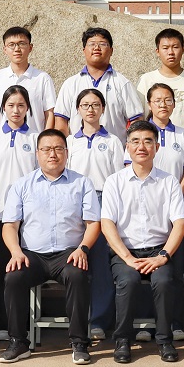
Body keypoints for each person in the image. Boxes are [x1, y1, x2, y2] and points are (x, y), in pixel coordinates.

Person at [0, 129, 102, 365]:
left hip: (69, 254)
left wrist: (83, 248)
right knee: (13, 276)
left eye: (58, 149)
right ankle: (18, 342)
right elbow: (10, 225)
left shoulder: (82, 183)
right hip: (32, 255)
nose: (52, 154)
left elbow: (93, 223)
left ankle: (79, 343)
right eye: (46, 149)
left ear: (66, 152)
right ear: (37, 153)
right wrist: (15, 252)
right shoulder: (21, 185)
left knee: (77, 274)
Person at [100, 121, 184, 364]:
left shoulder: (169, 182)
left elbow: (180, 224)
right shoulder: (114, 181)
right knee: (127, 281)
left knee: (163, 281)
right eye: (135, 141)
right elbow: (107, 224)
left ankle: (164, 339)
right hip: (125, 252)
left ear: (156, 147)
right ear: (127, 147)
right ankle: (122, 340)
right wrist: (127, 258)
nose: (142, 147)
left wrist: (163, 256)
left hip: (159, 251)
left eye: (148, 141)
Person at [0, 84, 39, 339]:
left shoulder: (36, 138)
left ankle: (24, 324)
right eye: (11, 105)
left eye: (21, 105)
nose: (16, 110)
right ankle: (2, 324)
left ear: (28, 108)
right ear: (3, 108)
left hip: (28, 217)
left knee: (23, 269)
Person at [67, 88, 125, 342]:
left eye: (95, 105)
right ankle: (77, 319)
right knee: (76, 261)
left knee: (101, 263)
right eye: (85, 105)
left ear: (103, 109)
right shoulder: (70, 141)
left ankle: (99, 320)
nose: (90, 109)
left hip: (103, 201)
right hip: (74, 202)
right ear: (78, 109)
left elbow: (118, 179)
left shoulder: (113, 141)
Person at [54, 27, 142, 142]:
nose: (96, 48)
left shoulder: (122, 83)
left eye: (102, 44)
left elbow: (136, 120)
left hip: (114, 150)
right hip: (78, 150)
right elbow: (61, 121)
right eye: (92, 44)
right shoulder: (70, 84)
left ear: (111, 51)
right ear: (84, 50)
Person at [137, 28, 184, 138]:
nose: (171, 52)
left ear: (183, 49)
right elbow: (140, 117)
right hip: (154, 145)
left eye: (175, 47)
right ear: (157, 51)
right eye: (165, 48)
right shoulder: (146, 80)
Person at [0, 26, 57, 132]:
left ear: (30, 47)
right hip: (2, 140)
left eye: (22, 44)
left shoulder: (42, 78)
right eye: (11, 45)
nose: (17, 49)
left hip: (34, 140)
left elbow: (49, 113)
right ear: (5, 49)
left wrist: (44, 140)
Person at [138, 82, 184, 195]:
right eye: (158, 101)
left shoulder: (183, 134)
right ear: (149, 105)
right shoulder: (138, 133)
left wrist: (177, 197)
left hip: (175, 198)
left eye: (168, 100)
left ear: (174, 104)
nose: (163, 105)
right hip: (144, 197)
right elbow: (130, 166)